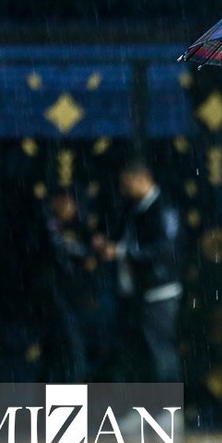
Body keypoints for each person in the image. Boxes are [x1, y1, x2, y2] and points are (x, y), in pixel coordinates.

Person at [94, 158, 184, 384]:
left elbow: (164, 250)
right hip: (136, 292)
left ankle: (167, 411)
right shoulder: (134, 208)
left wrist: (123, 252)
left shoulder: (163, 208)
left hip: (159, 291)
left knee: (159, 349)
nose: (124, 189)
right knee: (139, 352)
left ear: (143, 179)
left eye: (127, 183)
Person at [42, 189, 99, 383]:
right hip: (53, 294)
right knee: (69, 346)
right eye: (68, 203)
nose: (72, 208)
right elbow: (61, 246)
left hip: (68, 295)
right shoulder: (47, 223)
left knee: (64, 348)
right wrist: (88, 255)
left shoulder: (73, 226)